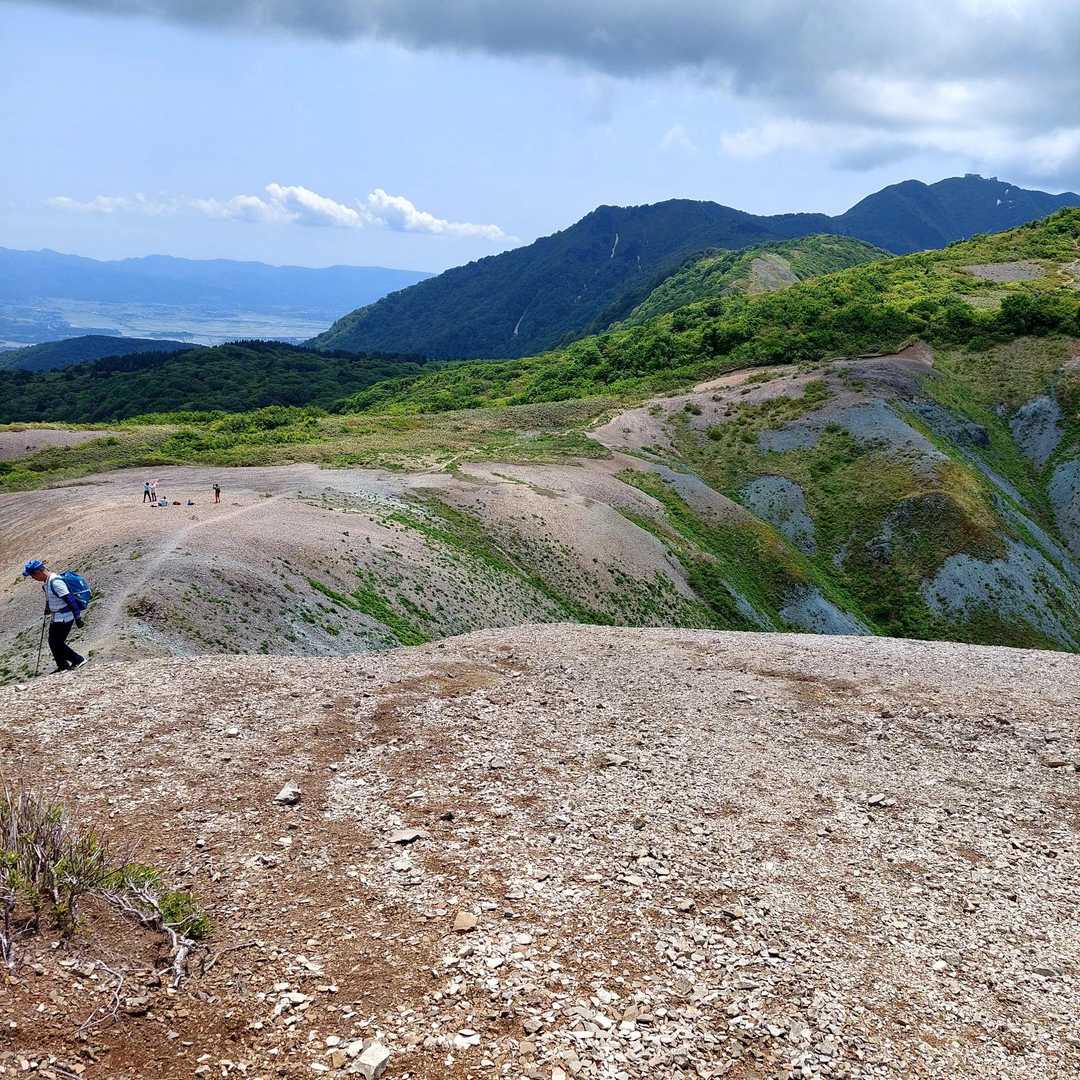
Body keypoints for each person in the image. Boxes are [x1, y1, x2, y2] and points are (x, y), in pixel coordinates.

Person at [22, 560, 87, 672]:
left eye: (32, 575)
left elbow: (70, 600)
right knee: (52, 642)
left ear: (38, 572)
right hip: (57, 617)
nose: (33, 578)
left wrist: (77, 618)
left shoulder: (55, 582)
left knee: (56, 642)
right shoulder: (47, 582)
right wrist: (48, 608)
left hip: (65, 617)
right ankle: (62, 665)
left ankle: (78, 660)